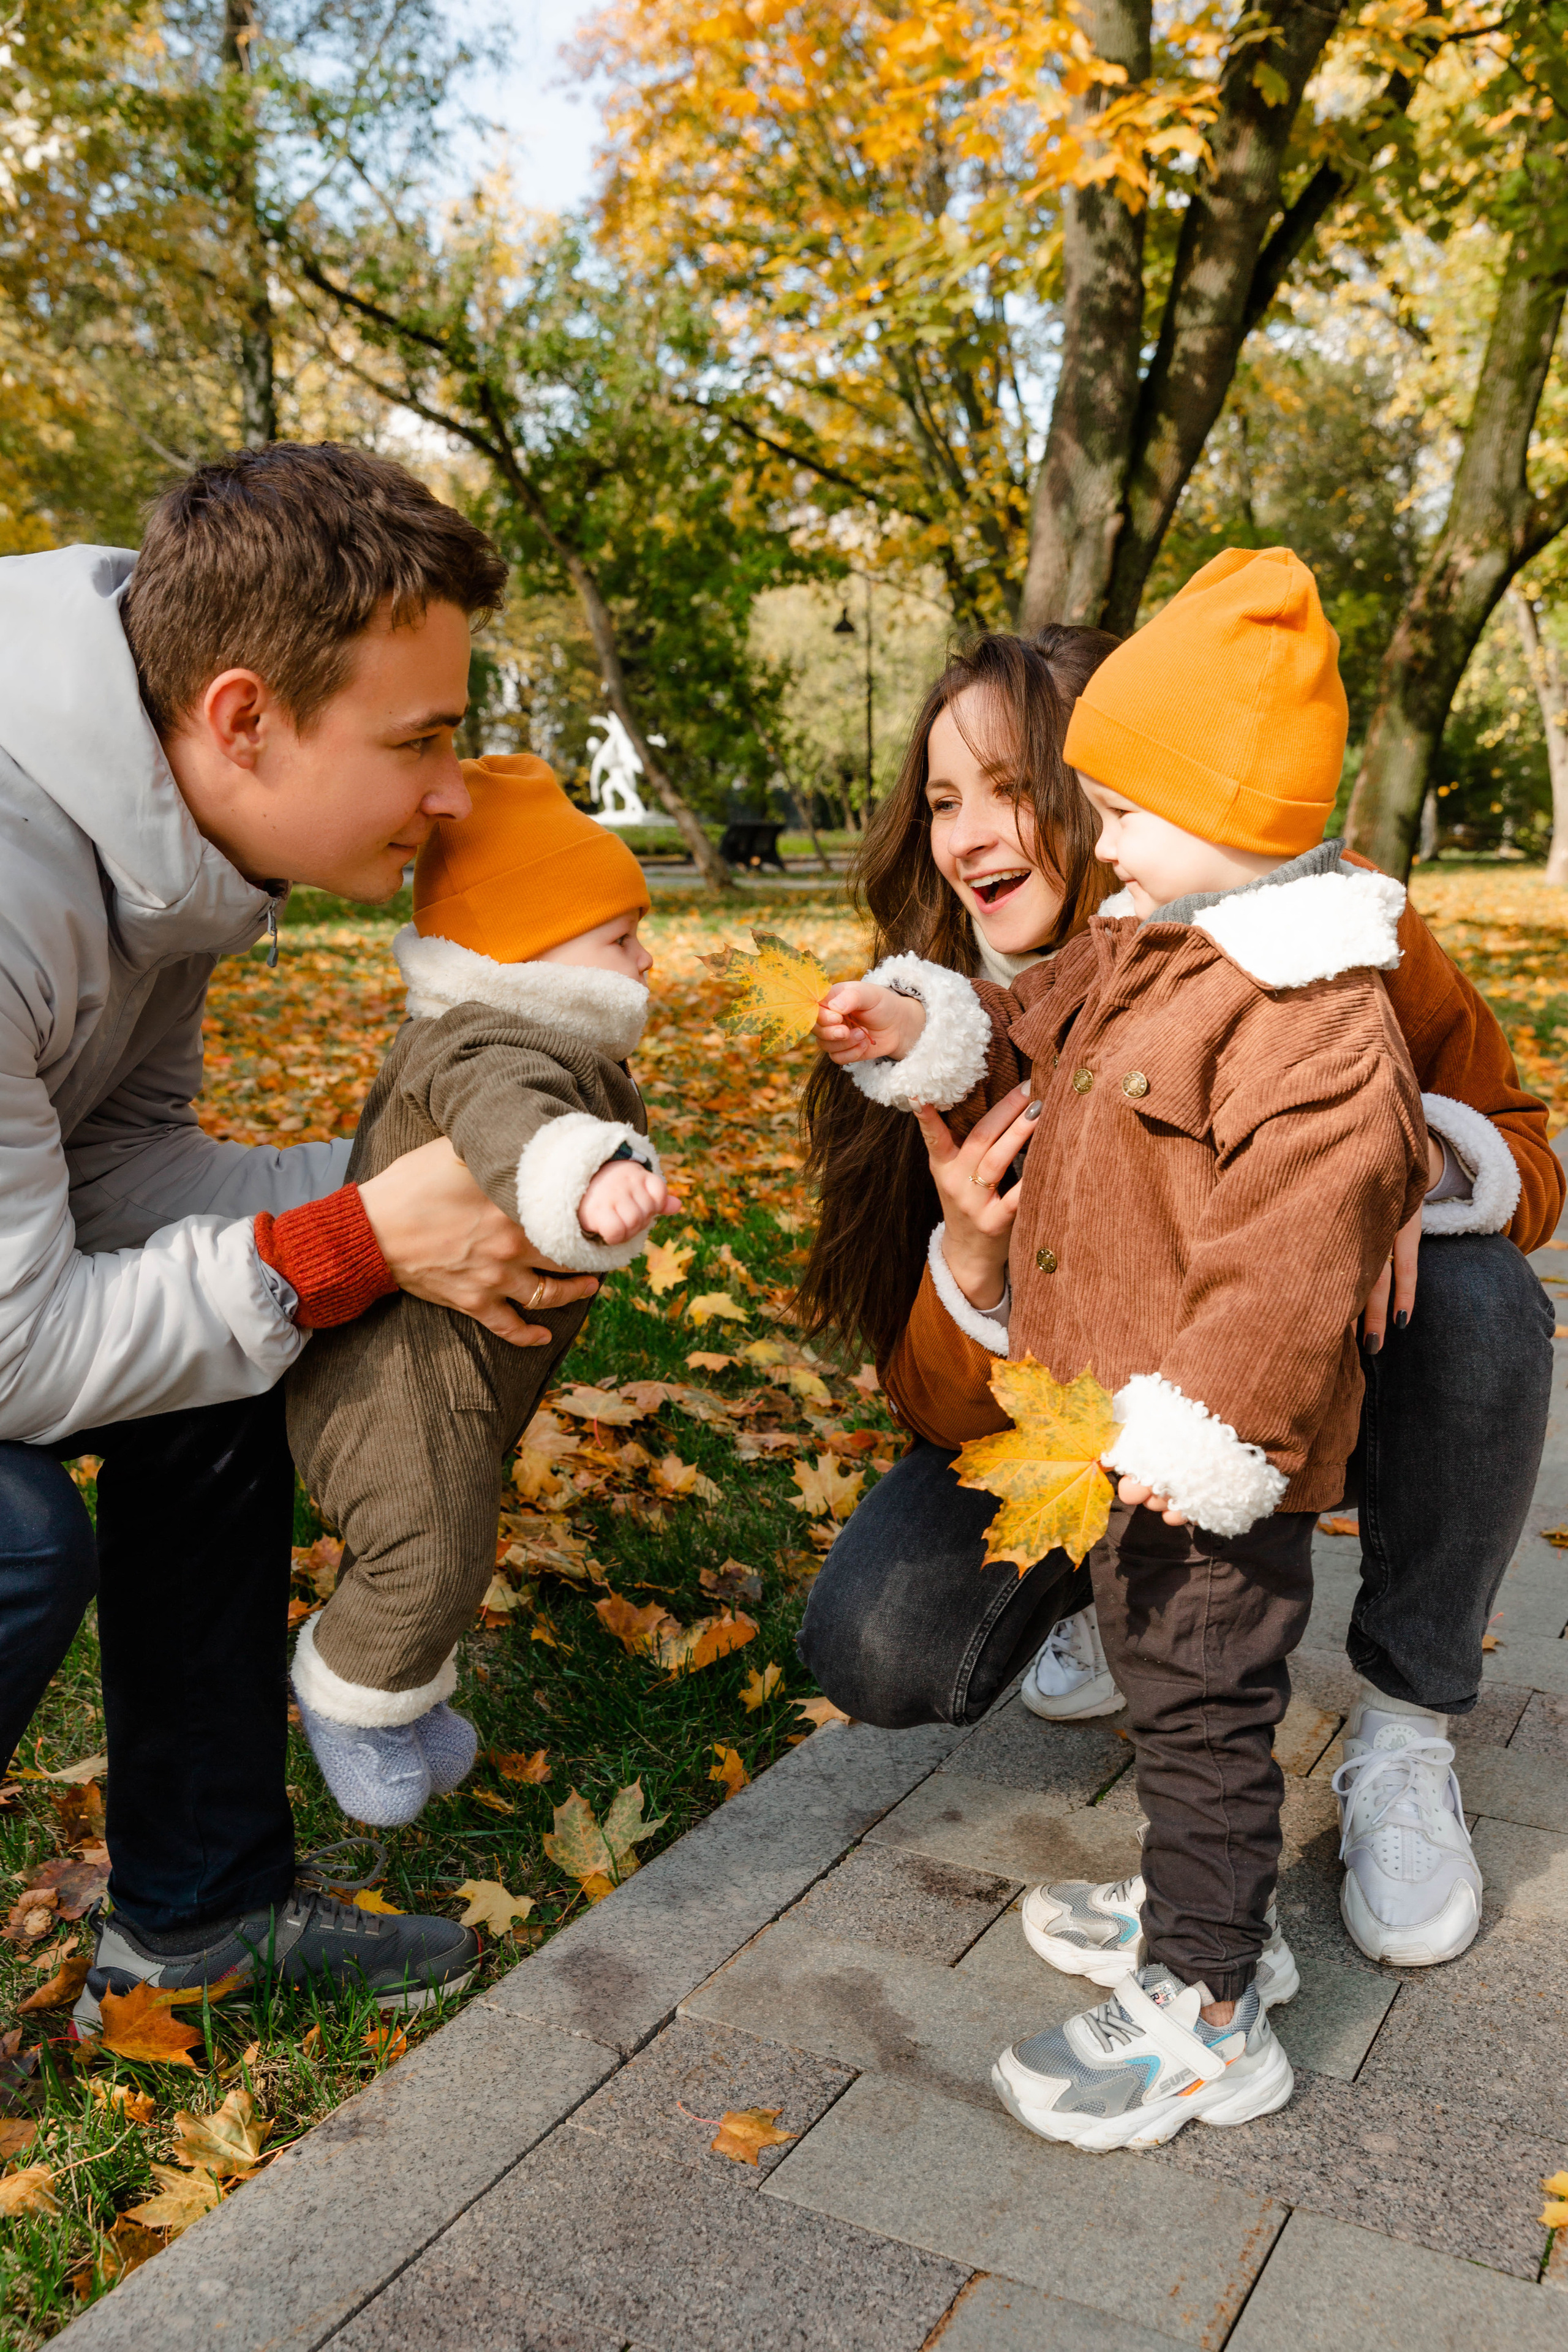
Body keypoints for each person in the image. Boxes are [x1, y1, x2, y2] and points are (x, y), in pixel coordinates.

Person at [800, 551, 1558, 2147]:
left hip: (1195, 1449)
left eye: (1054, 790)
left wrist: (1409, 1161)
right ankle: (1207, 1926)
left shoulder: (1321, 992)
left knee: (1208, 1720)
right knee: (1177, 1711)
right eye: (948, 799)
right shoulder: (1154, 942)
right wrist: (931, 1069)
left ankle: (1211, 2009)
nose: (986, 830)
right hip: (1097, 1427)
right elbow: (1033, 1030)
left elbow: (1302, 1253)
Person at [0, 443, 605, 2029]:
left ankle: (195, 1920)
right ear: (244, 717)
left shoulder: (162, 846)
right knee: (14, 1536)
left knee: (215, 1368)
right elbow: (18, 1351)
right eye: (418, 741)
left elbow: (121, 1176)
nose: (454, 791)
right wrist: (352, 1239)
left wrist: (410, 1207)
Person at [286, 755, 671, 1824]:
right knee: (430, 1544)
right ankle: (348, 1695)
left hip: (447, 1372)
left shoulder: (526, 1029)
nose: (648, 962)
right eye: (621, 938)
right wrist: (582, 1175)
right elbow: (510, 1116)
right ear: (529, 954)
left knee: (455, 1531)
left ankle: (399, 1699)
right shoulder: (487, 1038)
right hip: (388, 1379)